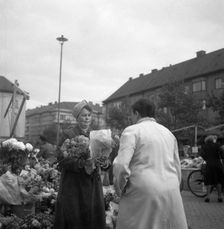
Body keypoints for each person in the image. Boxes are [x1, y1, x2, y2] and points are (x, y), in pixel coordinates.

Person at [113, 98, 188, 229]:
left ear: (136, 113)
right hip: (170, 188)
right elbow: (177, 166)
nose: (131, 118)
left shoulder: (132, 131)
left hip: (142, 191)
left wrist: (120, 188)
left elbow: (121, 165)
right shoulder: (168, 133)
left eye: (131, 114)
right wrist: (175, 185)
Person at [54, 100, 106, 229]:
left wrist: (104, 162)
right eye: (83, 115)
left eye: (89, 115)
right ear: (77, 117)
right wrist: (82, 164)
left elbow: (103, 157)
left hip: (92, 183)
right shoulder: (68, 134)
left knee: (92, 218)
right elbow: (61, 159)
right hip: (74, 184)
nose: (87, 118)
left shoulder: (96, 135)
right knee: (75, 217)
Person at [200, 135, 224, 202]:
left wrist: (206, 159)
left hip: (209, 164)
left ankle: (208, 197)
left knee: (209, 180)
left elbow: (202, 154)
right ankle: (219, 197)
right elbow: (222, 153)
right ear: (212, 140)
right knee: (219, 180)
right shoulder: (217, 145)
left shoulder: (204, 146)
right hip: (218, 164)